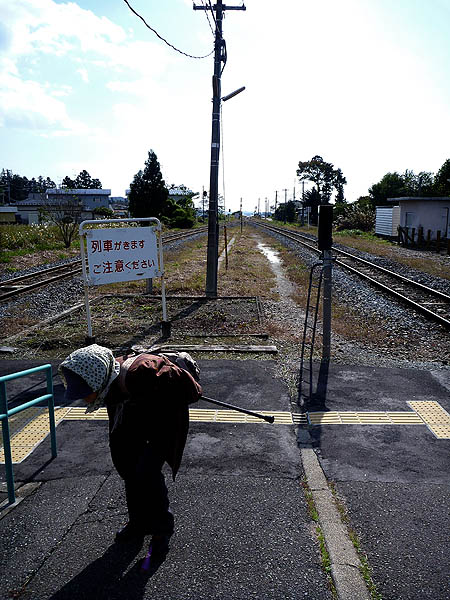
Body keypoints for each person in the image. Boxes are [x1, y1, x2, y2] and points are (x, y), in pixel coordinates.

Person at [59, 344, 202, 558]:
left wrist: (153, 402)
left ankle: (162, 531)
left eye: (85, 392)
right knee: (128, 468)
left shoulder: (143, 371)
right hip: (132, 419)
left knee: (147, 473)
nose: (84, 398)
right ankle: (139, 523)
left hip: (163, 425)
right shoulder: (106, 378)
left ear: (94, 380)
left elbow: (193, 391)